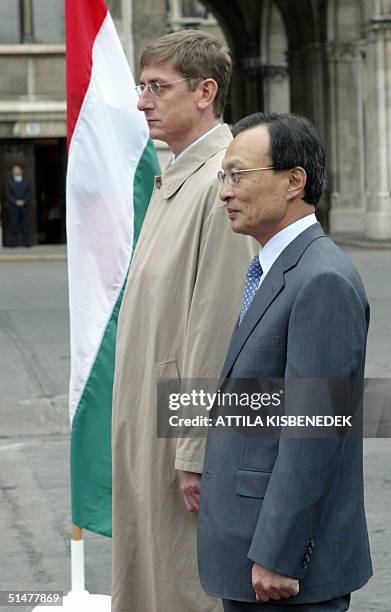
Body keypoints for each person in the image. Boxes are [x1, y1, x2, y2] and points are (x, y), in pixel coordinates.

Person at [198, 112, 373, 611]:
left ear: (294, 180)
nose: (225, 192)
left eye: (239, 175)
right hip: (252, 557)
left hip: (285, 573)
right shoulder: (273, 268)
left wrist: (279, 553)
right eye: (222, 177)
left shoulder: (321, 280)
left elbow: (313, 433)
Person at [111, 30, 254, 612]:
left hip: (178, 435)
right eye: (141, 86)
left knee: (181, 586)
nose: (143, 100)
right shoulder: (178, 176)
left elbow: (218, 325)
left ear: (206, 92)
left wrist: (196, 450)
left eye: (158, 87)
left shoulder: (225, 179)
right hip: (149, 422)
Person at [5, 165, 31, 247]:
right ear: (13, 172)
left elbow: (29, 193)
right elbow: (8, 194)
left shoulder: (26, 181)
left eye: (18, 170)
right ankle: (13, 243)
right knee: (13, 225)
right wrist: (15, 202)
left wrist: (24, 201)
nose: (17, 171)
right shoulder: (9, 182)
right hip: (13, 207)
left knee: (25, 225)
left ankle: (26, 243)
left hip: (24, 206)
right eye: (15, 170)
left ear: (21, 171)